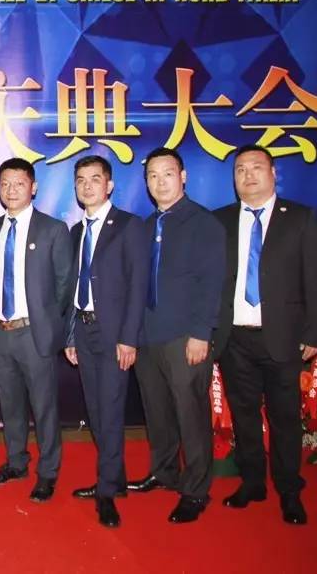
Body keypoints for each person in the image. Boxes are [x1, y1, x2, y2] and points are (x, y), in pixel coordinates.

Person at [212, 145, 317, 525]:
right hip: (235, 338)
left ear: (273, 172)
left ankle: (289, 490)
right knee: (244, 414)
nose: (248, 175)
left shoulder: (300, 218)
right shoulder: (221, 220)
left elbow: (316, 280)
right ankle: (252, 483)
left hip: (283, 337)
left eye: (256, 167)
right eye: (240, 169)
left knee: (284, 418)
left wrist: (314, 333)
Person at [127, 147, 225, 524]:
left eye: (167, 174)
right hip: (148, 336)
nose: (160, 182)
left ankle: (196, 489)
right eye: (152, 176)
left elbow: (212, 283)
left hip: (185, 337)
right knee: (158, 412)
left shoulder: (203, 223)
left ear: (183, 177)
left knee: (190, 415)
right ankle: (164, 472)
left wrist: (201, 333)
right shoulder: (146, 225)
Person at [63, 156, 148, 528]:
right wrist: (70, 335)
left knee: (111, 410)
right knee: (96, 410)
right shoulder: (75, 232)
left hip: (115, 335)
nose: (87, 186)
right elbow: (72, 289)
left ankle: (107, 492)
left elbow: (138, 286)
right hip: (83, 331)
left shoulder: (129, 226)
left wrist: (129, 338)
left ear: (109, 185)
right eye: (81, 180)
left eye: (95, 179)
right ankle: (115, 478)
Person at [0, 158, 73, 504]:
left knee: (44, 406)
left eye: (19, 183)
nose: (11, 190)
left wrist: (45, 320)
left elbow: (64, 285)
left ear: (33, 187)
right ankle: (16, 462)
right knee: (10, 404)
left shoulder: (52, 230)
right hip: (1, 331)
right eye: (5, 183)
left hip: (33, 332)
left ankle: (48, 472)